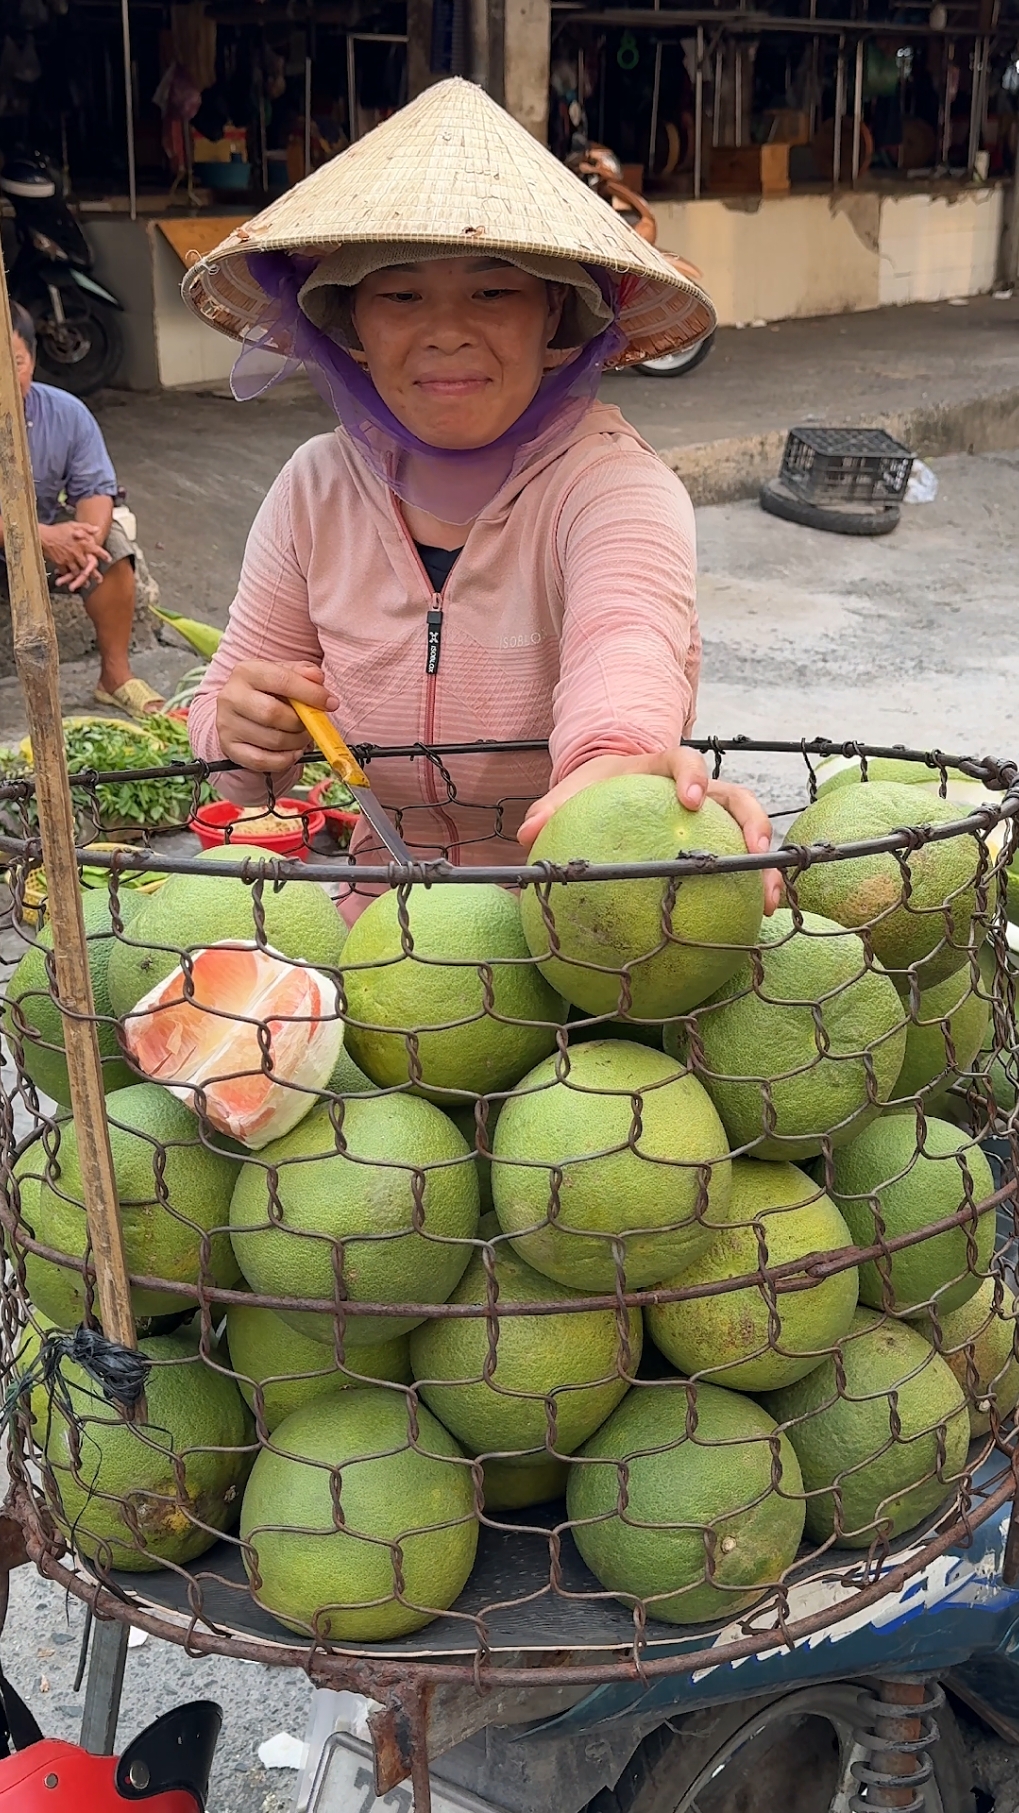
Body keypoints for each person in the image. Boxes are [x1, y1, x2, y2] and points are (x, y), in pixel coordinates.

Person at [184, 77, 777, 906]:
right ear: (351, 324)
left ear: (555, 317)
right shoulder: (315, 489)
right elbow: (227, 713)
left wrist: (613, 764)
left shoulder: (612, 486)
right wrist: (240, 729)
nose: (447, 329)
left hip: (574, 918)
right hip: (376, 932)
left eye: (493, 290)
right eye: (399, 293)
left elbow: (626, 649)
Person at [4, 303, 163, 718]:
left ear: (34, 361)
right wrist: (39, 536)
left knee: (111, 545)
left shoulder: (66, 413)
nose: (4, 376)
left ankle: (115, 677)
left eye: (14, 361)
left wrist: (85, 544)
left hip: (39, 545)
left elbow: (95, 490)